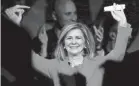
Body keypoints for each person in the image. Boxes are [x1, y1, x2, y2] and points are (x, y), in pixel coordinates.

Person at [32, 3, 132, 86]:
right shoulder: (44, 44)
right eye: (68, 14)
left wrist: (97, 47)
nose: (73, 18)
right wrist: (43, 50)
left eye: (75, 13)